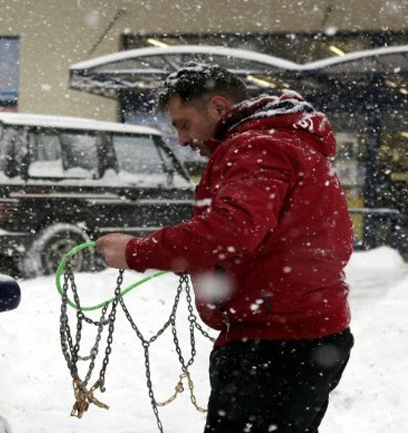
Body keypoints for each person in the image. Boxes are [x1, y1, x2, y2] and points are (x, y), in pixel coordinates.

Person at [95, 63, 354, 433]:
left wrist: (137, 252)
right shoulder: (285, 141)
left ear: (218, 107)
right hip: (304, 335)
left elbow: (231, 231)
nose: (182, 140)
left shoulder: (257, 145)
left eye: (183, 124)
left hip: (275, 345)